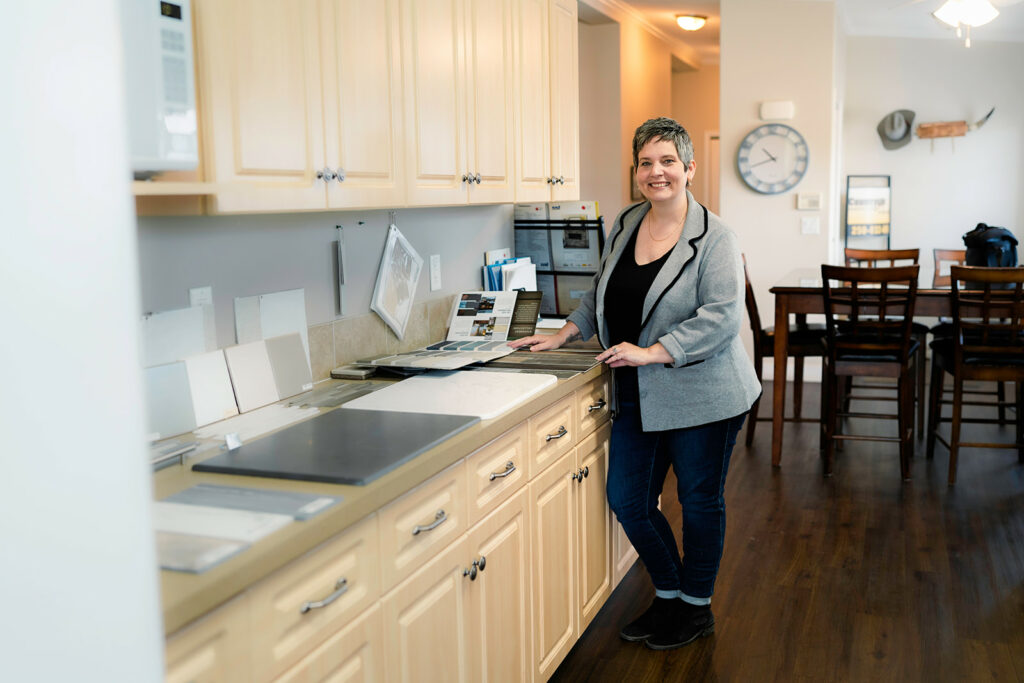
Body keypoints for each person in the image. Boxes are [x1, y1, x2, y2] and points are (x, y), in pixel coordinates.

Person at [509, 117, 760, 650]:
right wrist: (567, 332)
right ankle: (670, 595)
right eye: (646, 162)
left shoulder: (715, 237)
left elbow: (720, 318)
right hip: (637, 392)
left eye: (668, 161)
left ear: (690, 169)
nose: (656, 172)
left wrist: (650, 352)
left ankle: (696, 609)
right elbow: (599, 287)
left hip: (703, 394)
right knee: (629, 500)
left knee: (698, 503)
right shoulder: (625, 222)